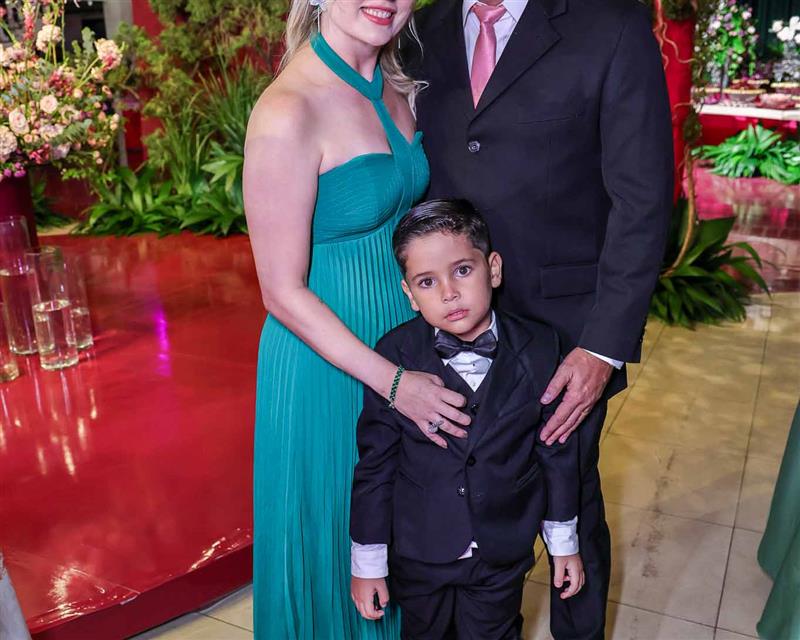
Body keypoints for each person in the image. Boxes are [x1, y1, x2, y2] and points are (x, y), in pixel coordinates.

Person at [404, 1, 674, 637]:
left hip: (565, 335)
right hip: (445, 327)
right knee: (458, 497)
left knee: (569, 501)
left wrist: (602, 348)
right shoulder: (417, 31)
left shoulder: (610, 26)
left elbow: (641, 200)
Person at [243, 1, 472, 637]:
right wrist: (394, 383)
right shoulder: (286, 111)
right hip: (327, 369)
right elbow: (280, 291)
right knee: (339, 544)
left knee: (398, 543)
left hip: (402, 353)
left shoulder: (401, 88)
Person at [350, 200, 584, 639]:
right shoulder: (393, 356)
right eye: (427, 281)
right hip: (419, 550)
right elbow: (375, 466)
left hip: (502, 550)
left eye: (461, 270)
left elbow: (555, 453)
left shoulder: (540, 345)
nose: (449, 293)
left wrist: (564, 544)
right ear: (409, 295)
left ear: (493, 269)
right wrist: (368, 564)